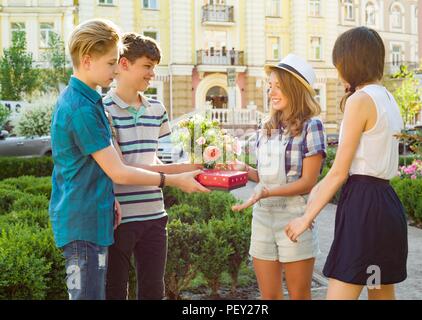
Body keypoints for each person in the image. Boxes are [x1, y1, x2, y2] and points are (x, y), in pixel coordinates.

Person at [49, 19, 209, 300]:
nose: (115, 68)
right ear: (87, 60)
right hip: (84, 222)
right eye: (112, 62)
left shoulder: (88, 101)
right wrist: (172, 180)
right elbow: (119, 172)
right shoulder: (82, 108)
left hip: (96, 218)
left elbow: (97, 167)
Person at [285, 26, 408, 300]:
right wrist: (312, 202)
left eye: (338, 63)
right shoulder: (389, 99)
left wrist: (306, 218)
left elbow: (340, 172)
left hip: (363, 210)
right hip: (385, 206)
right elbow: (341, 172)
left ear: (350, 61)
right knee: (379, 290)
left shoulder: (360, 100)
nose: (338, 70)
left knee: (342, 291)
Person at [103, 32, 203, 300]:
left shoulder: (157, 109)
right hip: (119, 220)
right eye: (147, 67)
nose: (152, 75)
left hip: (155, 216)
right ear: (124, 64)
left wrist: (199, 167)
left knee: (153, 291)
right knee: (115, 292)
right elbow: (121, 169)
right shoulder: (103, 110)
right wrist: (180, 174)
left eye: (154, 68)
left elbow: (159, 161)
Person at [230, 54, 326, 300]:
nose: (271, 92)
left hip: (294, 218)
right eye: (270, 86)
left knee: (299, 295)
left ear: (295, 89)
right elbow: (265, 177)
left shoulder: (311, 126)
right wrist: (241, 168)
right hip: (262, 217)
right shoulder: (267, 126)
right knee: (268, 296)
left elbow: (307, 182)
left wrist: (267, 191)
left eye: (279, 87)